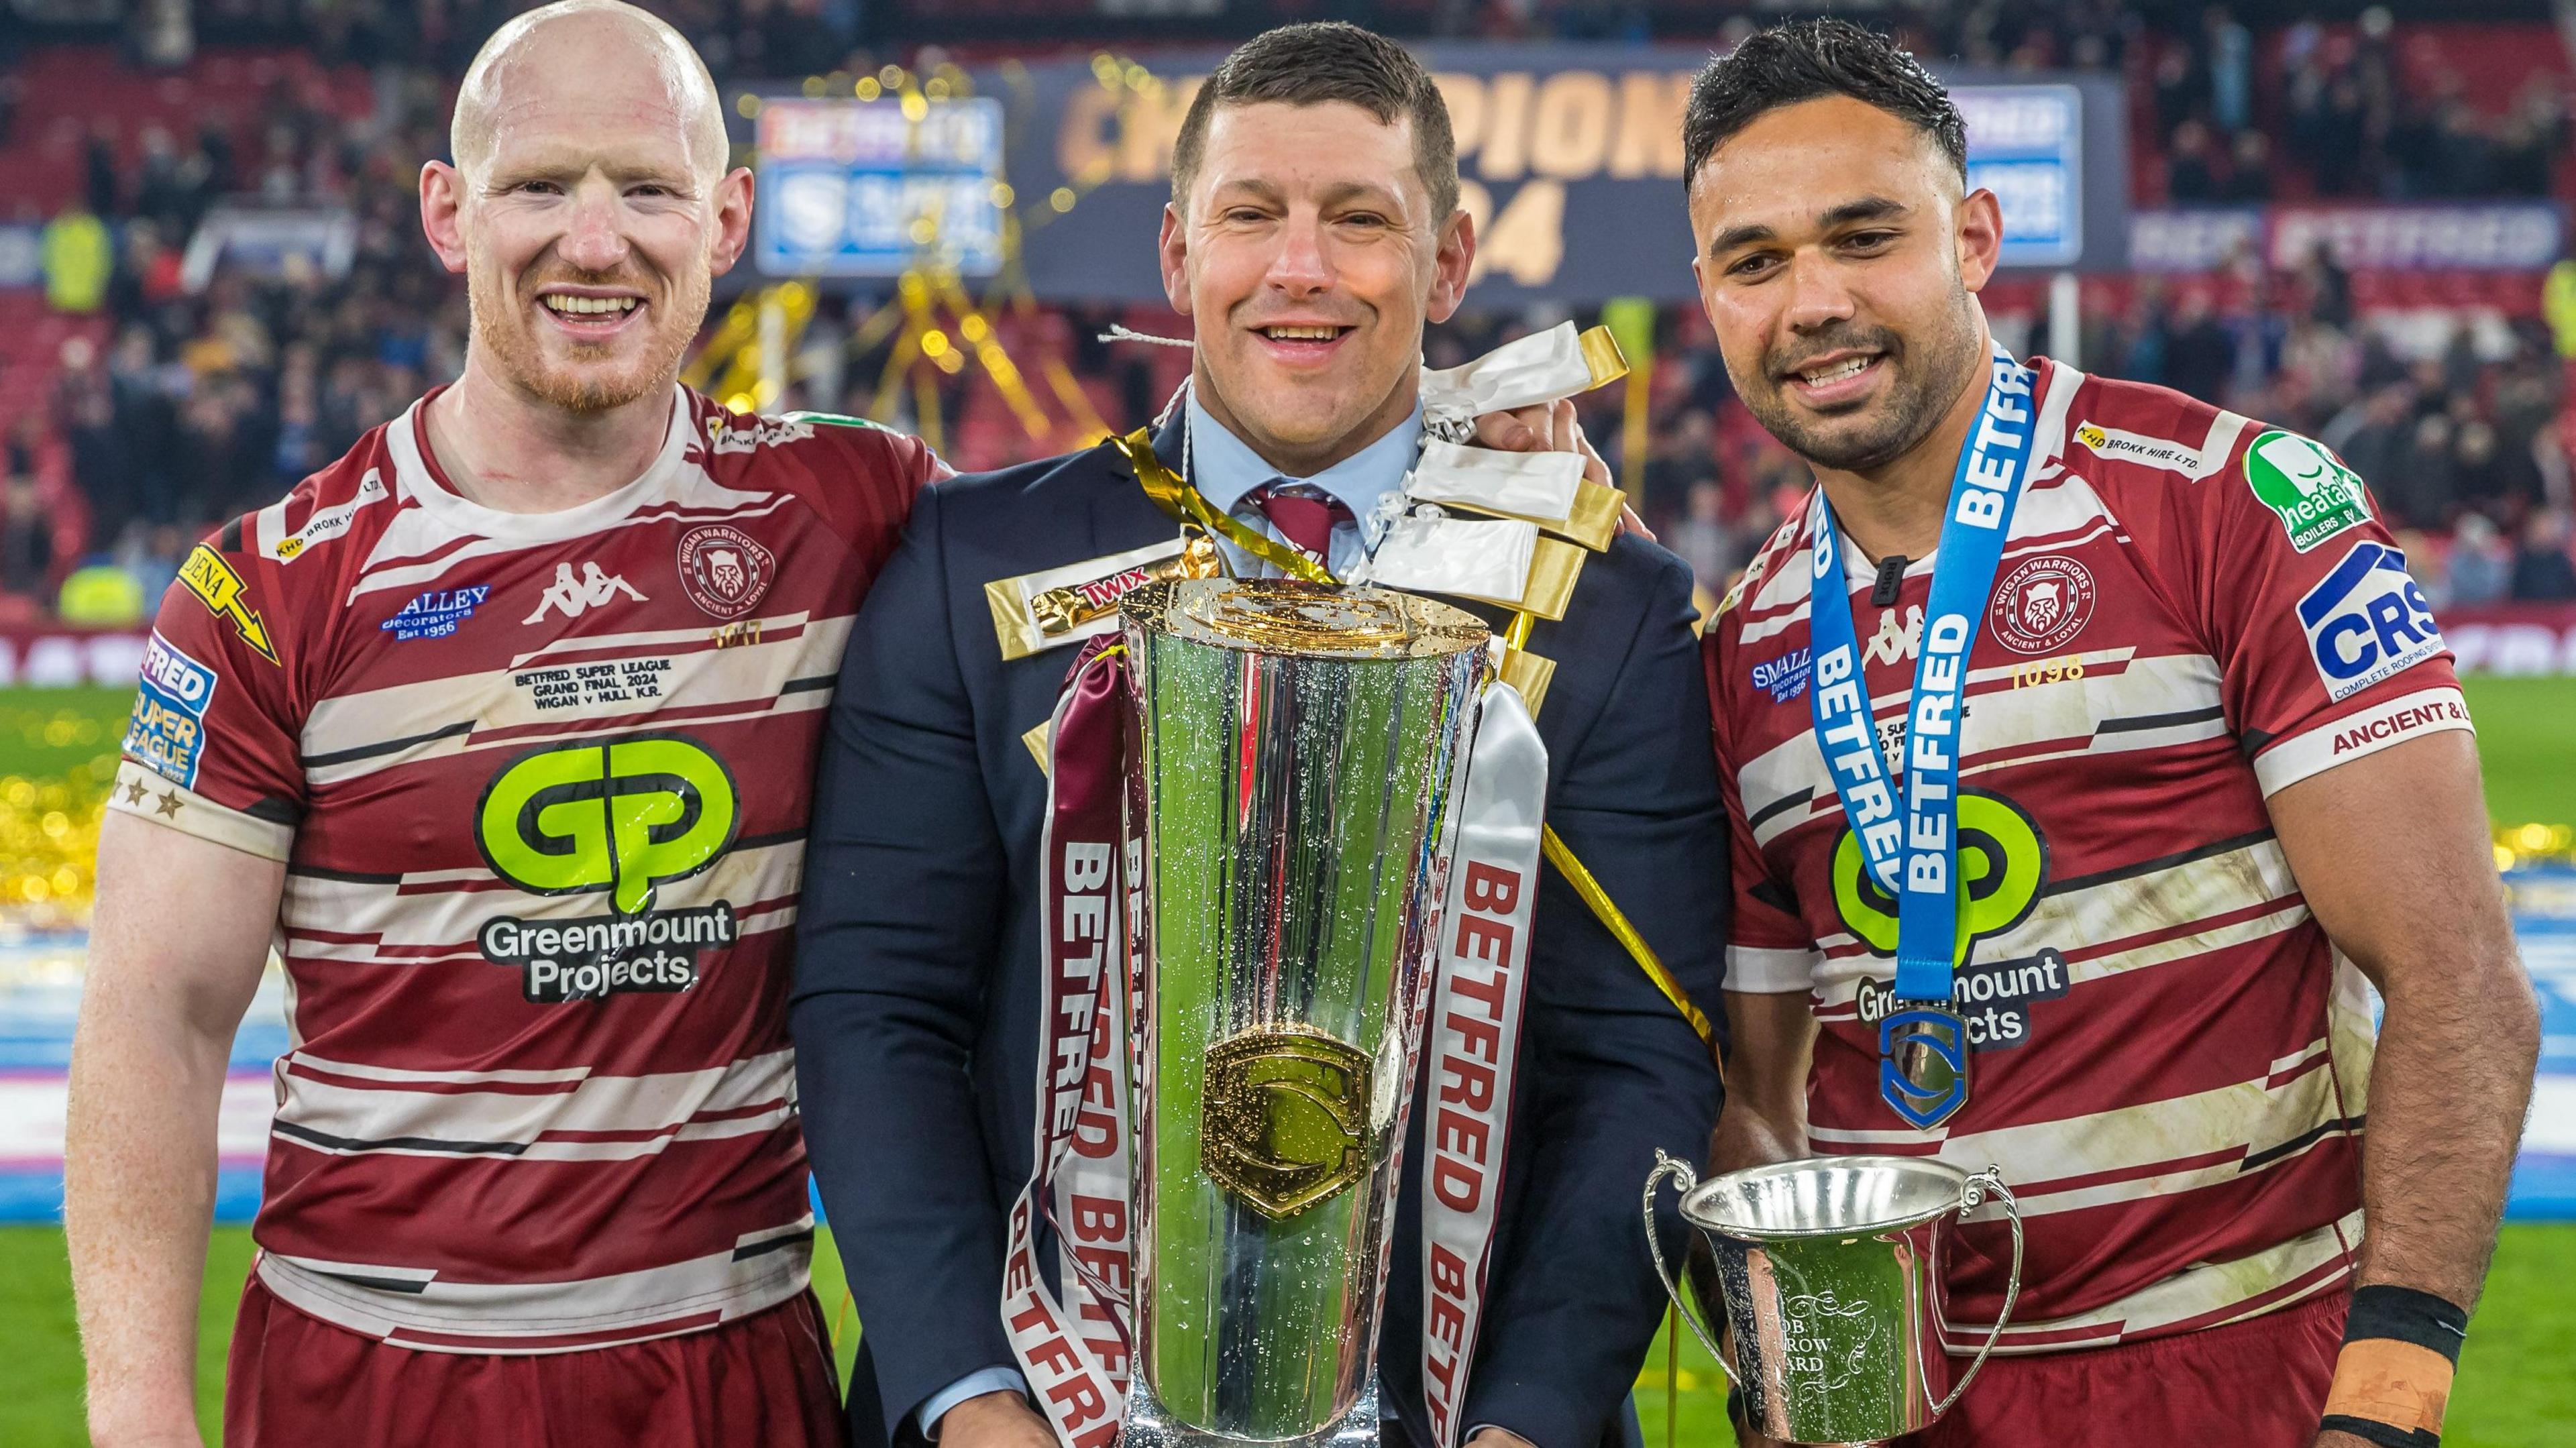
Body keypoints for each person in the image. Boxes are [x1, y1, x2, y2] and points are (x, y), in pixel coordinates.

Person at [793, 23, 1724, 1448]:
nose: (1303, 267)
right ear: (1177, 254)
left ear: (1452, 260)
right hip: (1040, 1411)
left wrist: (1522, 1427)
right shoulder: (968, 562)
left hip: (1453, 1414)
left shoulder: (1604, 603)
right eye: (1252, 217)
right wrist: (978, 1407)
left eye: (1361, 220)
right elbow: (877, 1010)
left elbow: (1637, 1063)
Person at [63, 4, 943, 1445]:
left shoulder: (862, 511)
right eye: (541, 184)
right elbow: (157, 1016)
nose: (595, 243)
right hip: (369, 1375)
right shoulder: (270, 586)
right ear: (447, 210)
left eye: (647, 189)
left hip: (726, 1364)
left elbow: (1127, 566)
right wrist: (137, 1407)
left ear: (727, 219)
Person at [1685, 20, 2536, 1448]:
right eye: (1755, 262)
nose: (1812, 300)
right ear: (1708, 294)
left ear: (1973, 238)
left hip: (2250, 1380)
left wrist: (2387, 1406)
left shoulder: (2236, 504)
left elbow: (2457, 977)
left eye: (1863, 236)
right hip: (1913, 1409)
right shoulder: (1746, 646)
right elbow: (1756, 1099)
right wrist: (1802, 1372)